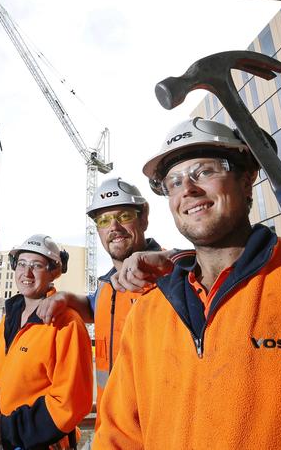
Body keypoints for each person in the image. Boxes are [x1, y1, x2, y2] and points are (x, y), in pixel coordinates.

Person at [94, 117, 281, 448]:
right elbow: (118, 436)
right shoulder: (149, 312)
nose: (187, 189)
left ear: (246, 181)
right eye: (173, 182)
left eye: (204, 172)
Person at [36, 177, 189, 428]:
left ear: (144, 216)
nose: (114, 227)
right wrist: (65, 297)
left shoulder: (172, 274)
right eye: (104, 220)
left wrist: (168, 259)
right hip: (111, 430)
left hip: (163, 432)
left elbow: (213, 264)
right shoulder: (107, 288)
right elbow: (95, 308)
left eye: (124, 215)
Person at [0, 234, 93, 450]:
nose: (26, 273)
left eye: (37, 266)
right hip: (2, 438)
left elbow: (70, 403)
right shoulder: (10, 317)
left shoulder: (66, 324)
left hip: (39, 443)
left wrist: (8, 429)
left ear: (54, 272)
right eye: (22, 264)